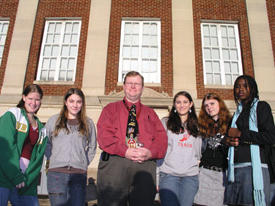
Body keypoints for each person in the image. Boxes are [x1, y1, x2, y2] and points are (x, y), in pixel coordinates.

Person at [96, 71, 168, 206]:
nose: (133, 86)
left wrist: (150, 153)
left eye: (137, 84)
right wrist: (125, 151)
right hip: (115, 164)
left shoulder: (150, 113)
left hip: (144, 167)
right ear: (123, 86)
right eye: (129, 83)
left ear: (142, 88)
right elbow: (104, 137)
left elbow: (162, 140)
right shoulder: (110, 109)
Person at [224, 75, 275, 206]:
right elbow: (230, 137)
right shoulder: (236, 114)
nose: (240, 89)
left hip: (253, 169)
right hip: (234, 170)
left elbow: (270, 137)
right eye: (237, 86)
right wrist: (229, 141)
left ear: (252, 88)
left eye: (245, 86)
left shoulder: (261, 107)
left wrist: (241, 134)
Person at [45, 88, 97, 206]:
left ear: (82, 103)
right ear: (66, 102)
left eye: (78, 101)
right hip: (56, 175)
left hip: (78, 174)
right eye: (71, 101)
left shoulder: (88, 123)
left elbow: (92, 146)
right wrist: (53, 158)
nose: (75, 105)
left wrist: (83, 162)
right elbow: (45, 143)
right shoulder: (53, 120)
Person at [0, 84, 47, 206]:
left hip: (25, 183)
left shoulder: (42, 129)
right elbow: (5, 148)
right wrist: (15, 176)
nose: (33, 102)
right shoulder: (13, 115)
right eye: (30, 98)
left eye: (37, 99)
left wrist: (27, 179)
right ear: (24, 98)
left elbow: (38, 159)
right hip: (3, 177)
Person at [157, 91, 202, 206]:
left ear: (191, 104)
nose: (182, 105)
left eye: (185, 102)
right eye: (178, 102)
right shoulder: (165, 122)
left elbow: (198, 152)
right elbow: (160, 149)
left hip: (190, 177)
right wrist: (157, 176)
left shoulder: (197, 125)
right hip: (168, 175)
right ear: (174, 105)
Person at [194, 93, 231, 206]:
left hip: (223, 176)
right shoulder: (202, 126)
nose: (209, 107)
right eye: (206, 105)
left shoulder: (231, 124)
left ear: (220, 104)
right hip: (204, 174)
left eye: (212, 103)